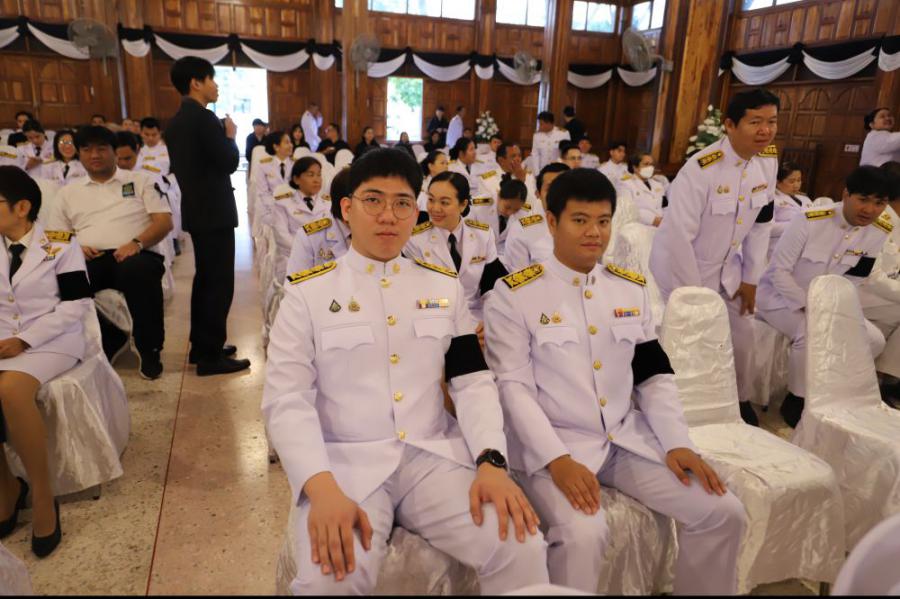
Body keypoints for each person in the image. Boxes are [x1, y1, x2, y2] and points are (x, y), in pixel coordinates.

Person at [263, 148, 549, 595]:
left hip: (430, 456)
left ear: (415, 213)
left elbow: (472, 382)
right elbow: (287, 400)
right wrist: (320, 488)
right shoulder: (307, 295)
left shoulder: (442, 286)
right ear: (347, 208)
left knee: (521, 544)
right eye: (373, 200)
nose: (387, 216)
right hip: (345, 463)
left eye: (401, 203)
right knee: (330, 578)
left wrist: (492, 459)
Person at [483, 167, 746, 595]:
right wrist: (556, 459)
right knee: (584, 534)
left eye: (603, 221)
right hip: (553, 445)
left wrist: (677, 442)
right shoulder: (515, 294)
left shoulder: (629, 289)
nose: (595, 232)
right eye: (580, 220)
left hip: (624, 440)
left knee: (723, 511)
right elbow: (513, 390)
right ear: (551, 222)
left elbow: (654, 374)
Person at [649, 88, 781, 427]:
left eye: (771, 122)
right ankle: (684, 408)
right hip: (684, 268)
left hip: (729, 269)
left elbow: (761, 224)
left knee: (743, 334)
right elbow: (678, 237)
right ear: (730, 125)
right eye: (755, 122)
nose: (765, 130)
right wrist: (694, 294)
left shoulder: (767, 162)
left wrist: (751, 278)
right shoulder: (701, 168)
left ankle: (739, 400)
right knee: (693, 338)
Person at [0, 166, 93, 558]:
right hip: (3, 340)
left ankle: (42, 494)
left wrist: (25, 339)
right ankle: (7, 487)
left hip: (51, 340)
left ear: (22, 207)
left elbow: (77, 304)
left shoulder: (60, 244)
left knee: (11, 390)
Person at [758, 165, 892, 427]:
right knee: (808, 334)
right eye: (863, 199)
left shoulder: (878, 231)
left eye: (879, 203)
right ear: (846, 194)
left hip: (829, 303)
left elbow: (854, 279)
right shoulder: (810, 220)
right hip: (780, 298)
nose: (870, 210)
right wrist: (811, 307)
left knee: (874, 340)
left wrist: (836, 309)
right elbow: (778, 272)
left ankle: (835, 391)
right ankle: (797, 401)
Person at [49, 125, 173, 379]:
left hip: (136, 254)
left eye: (101, 148)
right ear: (79, 153)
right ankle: (106, 335)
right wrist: (75, 247)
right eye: (86, 149)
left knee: (137, 273)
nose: (94, 155)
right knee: (66, 279)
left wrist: (136, 243)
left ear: (114, 152)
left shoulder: (140, 181)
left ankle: (149, 348)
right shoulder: (68, 192)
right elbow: (53, 235)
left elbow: (164, 222)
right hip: (89, 257)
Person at [164, 56, 250, 376]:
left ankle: (202, 346)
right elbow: (228, 162)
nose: (216, 86)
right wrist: (231, 136)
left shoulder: (177, 121)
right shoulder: (204, 118)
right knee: (219, 284)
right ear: (195, 82)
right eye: (212, 79)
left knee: (205, 280)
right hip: (215, 212)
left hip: (198, 210)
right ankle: (211, 356)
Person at [403, 171, 502, 324]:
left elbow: (492, 285)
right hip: (434, 319)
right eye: (431, 200)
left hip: (477, 318)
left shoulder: (483, 235)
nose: (435, 208)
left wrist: (491, 318)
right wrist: (456, 316)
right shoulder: (414, 240)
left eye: (444, 202)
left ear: (463, 205)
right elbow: (416, 296)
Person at [859, 161, 900, 405]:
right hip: (864, 293)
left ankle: (888, 378)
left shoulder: (895, 220)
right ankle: (882, 381)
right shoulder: (879, 222)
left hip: (885, 292)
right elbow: (871, 277)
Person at [270, 157, 330, 281]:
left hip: (323, 258)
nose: (316, 180)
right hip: (292, 257)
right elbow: (282, 236)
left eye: (319, 175)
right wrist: (306, 253)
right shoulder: (283, 203)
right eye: (310, 175)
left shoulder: (328, 204)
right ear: (296, 179)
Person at [286, 167, 352, 277]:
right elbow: (296, 285)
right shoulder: (310, 237)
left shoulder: (376, 232)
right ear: (347, 207)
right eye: (372, 200)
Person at [501, 163, 568, 272]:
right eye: (550, 188)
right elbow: (519, 278)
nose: (558, 194)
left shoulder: (590, 223)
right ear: (538, 194)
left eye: (565, 188)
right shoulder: (521, 230)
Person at [471, 143, 539, 239]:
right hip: (491, 231)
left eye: (519, 156)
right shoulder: (487, 179)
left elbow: (532, 206)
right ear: (501, 160)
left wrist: (521, 182)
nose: (518, 159)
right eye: (513, 156)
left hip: (518, 232)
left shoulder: (528, 177)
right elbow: (485, 209)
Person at [770, 161, 812, 259]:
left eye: (799, 180)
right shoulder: (772, 200)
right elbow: (768, 228)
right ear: (778, 182)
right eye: (792, 181)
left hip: (802, 250)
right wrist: (797, 225)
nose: (796, 185)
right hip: (777, 249)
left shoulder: (805, 199)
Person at [253, 130, 295, 228]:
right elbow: (263, 193)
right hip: (271, 208)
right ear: (276, 147)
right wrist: (277, 208)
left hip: (294, 208)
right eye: (287, 142)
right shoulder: (264, 165)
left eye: (291, 142)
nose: (291, 145)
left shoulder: (296, 164)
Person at [619, 152, 667, 228]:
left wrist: (666, 219)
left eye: (651, 164)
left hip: (662, 225)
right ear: (635, 167)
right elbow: (627, 210)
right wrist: (652, 220)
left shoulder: (658, 184)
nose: (650, 167)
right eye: (646, 164)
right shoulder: (626, 185)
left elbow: (665, 206)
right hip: (640, 227)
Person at [495, 179, 531, 257]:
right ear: (499, 196)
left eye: (516, 210)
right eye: (507, 207)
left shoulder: (525, 214)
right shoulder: (480, 207)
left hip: (505, 256)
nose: (510, 213)